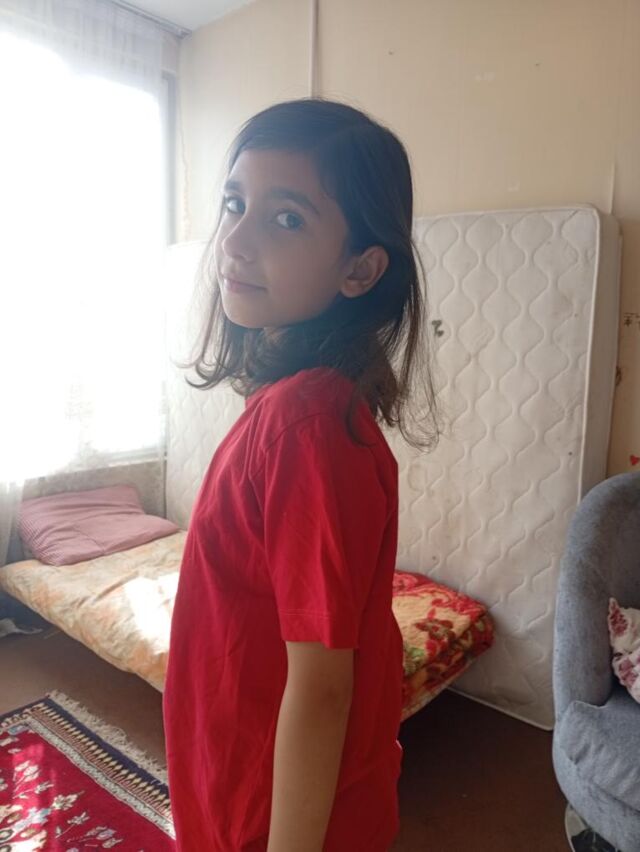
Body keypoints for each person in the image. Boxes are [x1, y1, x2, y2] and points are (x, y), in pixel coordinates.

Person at [162, 97, 441, 852]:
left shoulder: (308, 423)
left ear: (360, 269)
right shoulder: (293, 405)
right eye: (234, 203)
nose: (236, 240)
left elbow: (320, 689)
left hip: (278, 815)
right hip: (245, 774)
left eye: (286, 218)